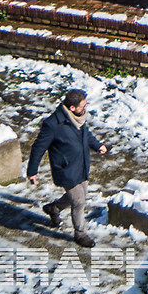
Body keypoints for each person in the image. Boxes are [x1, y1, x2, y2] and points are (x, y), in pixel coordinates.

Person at [26, 87, 107, 247]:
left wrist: (97, 146)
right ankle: (80, 234)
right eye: (83, 106)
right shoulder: (53, 124)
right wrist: (32, 171)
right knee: (79, 202)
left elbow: (86, 134)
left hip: (81, 164)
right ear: (72, 108)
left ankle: (53, 208)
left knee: (80, 195)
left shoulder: (78, 118)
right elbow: (38, 147)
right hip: (65, 168)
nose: (85, 108)